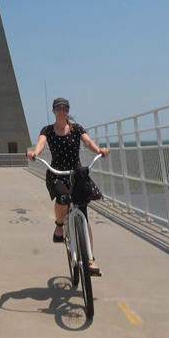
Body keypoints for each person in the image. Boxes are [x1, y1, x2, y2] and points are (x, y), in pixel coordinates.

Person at [26, 97, 109, 276]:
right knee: (63, 199)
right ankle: (59, 225)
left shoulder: (76, 128)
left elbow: (88, 142)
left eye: (65, 108)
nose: (62, 111)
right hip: (56, 173)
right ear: (53, 111)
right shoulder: (47, 130)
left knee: (84, 217)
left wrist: (99, 151)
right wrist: (34, 153)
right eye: (58, 108)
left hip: (76, 174)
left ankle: (90, 259)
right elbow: (40, 144)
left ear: (68, 110)